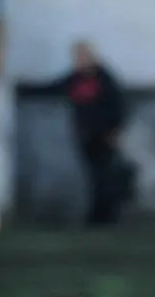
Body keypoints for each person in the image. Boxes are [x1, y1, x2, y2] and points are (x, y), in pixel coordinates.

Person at [25, 41, 133, 226]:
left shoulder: (104, 78)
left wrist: (115, 130)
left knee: (105, 176)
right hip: (86, 135)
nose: (81, 60)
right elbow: (53, 89)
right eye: (78, 57)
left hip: (104, 136)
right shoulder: (75, 79)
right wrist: (23, 90)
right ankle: (97, 218)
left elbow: (119, 106)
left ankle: (106, 217)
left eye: (84, 56)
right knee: (94, 177)